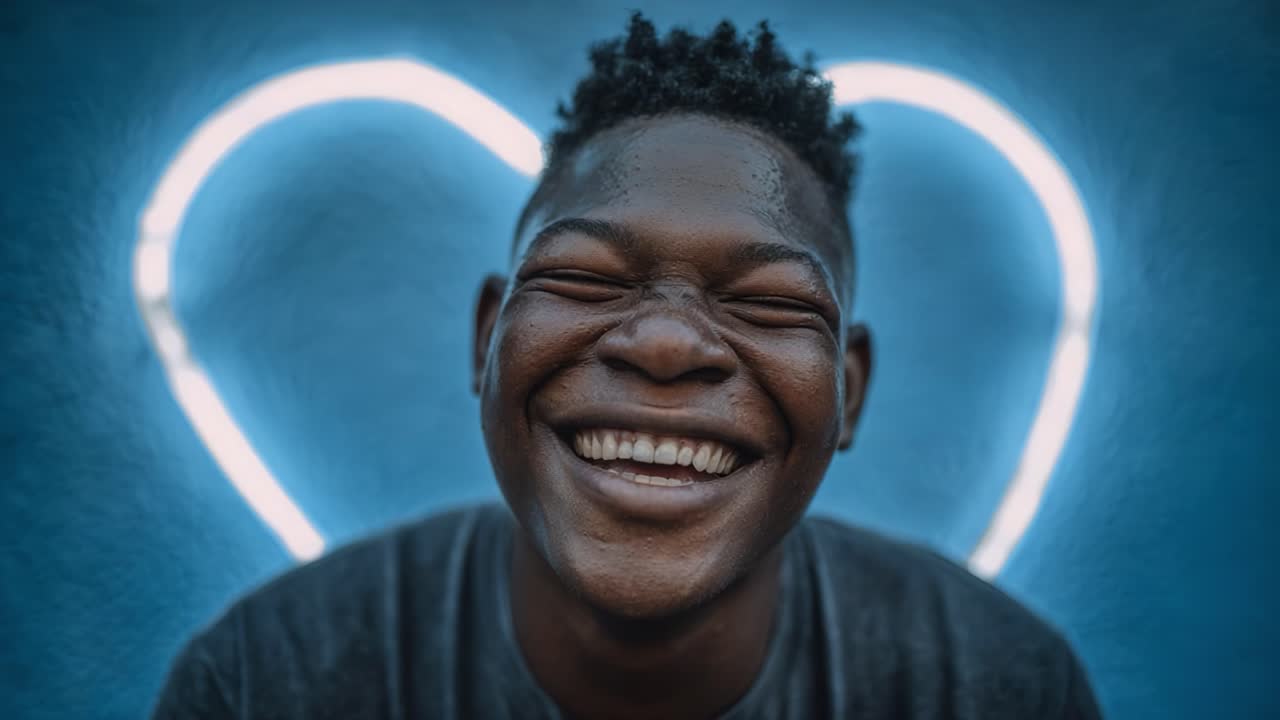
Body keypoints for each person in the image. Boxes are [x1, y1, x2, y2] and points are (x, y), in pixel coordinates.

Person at [152, 13, 1103, 719]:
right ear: (488, 339)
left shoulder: (995, 687)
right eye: (586, 278)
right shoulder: (265, 682)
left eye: (770, 301)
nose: (666, 343)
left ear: (847, 391)